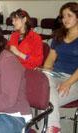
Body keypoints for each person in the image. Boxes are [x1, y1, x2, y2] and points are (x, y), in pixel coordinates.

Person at [43, 2, 78, 133]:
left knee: (45, 100)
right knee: (43, 75)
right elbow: (49, 62)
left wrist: (67, 83)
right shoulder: (58, 36)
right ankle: (54, 126)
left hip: (74, 80)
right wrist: (45, 73)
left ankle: (50, 125)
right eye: (63, 16)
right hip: (55, 76)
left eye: (69, 15)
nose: (65, 19)